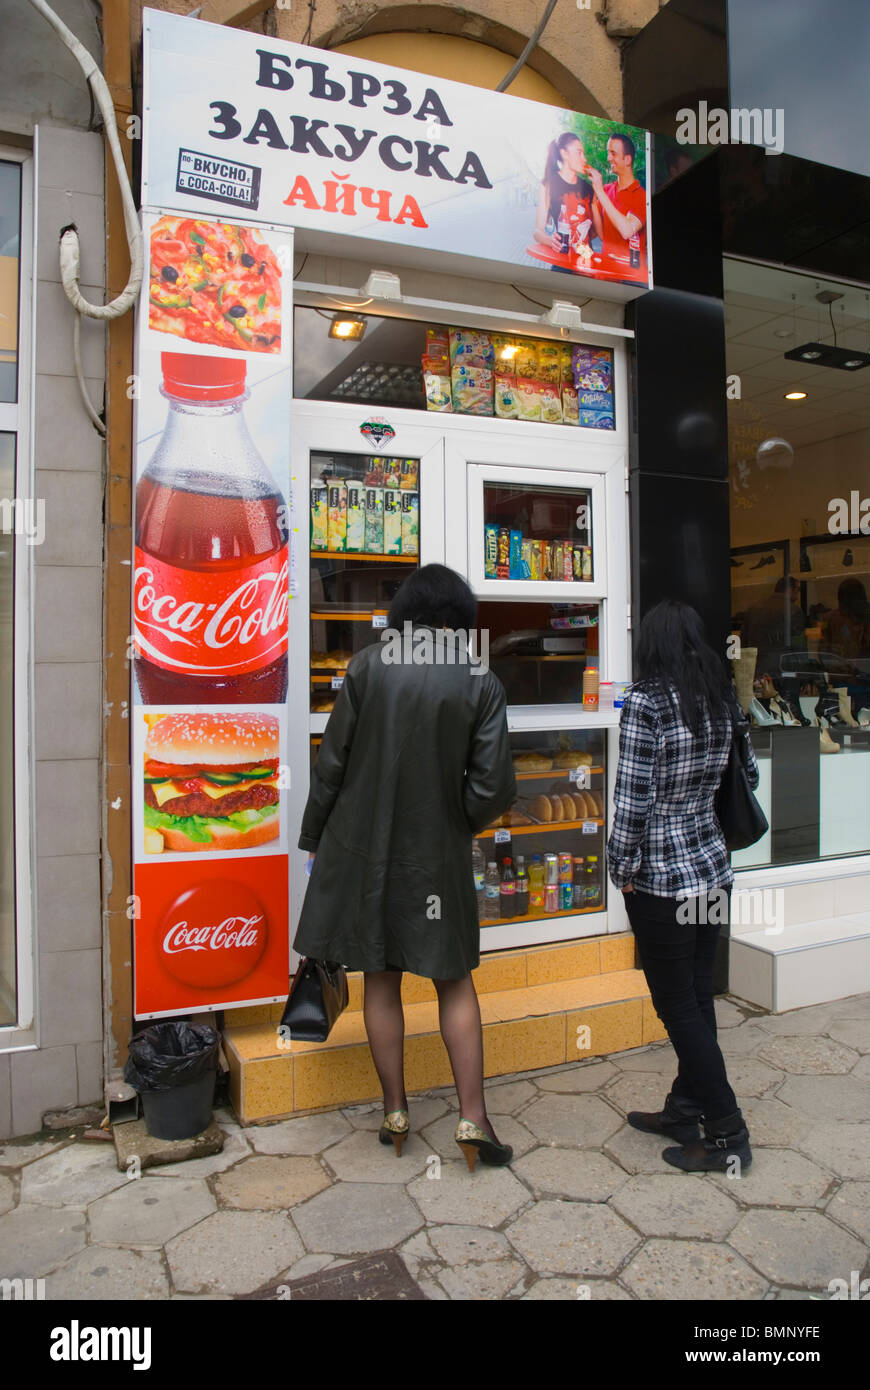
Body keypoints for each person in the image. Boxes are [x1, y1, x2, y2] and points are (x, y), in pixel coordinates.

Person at [294, 564, 517, 1171]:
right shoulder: (480, 677)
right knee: (454, 979)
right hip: (437, 858)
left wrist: (313, 835)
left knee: (381, 978)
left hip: (366, 854)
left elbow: (331, 765)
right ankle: (474, 1116)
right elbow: (494, 786)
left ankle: (395, 1111)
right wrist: (455, 819)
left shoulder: (368, 666)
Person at [606, 599, 758, 1172]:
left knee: (676, 1006)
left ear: (651, 646)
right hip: (714, 872)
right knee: (696, 997)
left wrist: (621, 870)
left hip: (663, 880)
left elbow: (631, 801)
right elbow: (748, 778)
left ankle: (727, 1132)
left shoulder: (646, 704)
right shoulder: (719, 698)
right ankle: (684, 1107)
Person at [533, 131, 594, 258]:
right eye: (579, 153)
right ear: (564, 153)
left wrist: (579, 239)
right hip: (562, 260)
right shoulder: (548, 184)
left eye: (584, 153)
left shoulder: (589, 188)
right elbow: (538, 231)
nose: (584, 159)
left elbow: (594, 231)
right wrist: (550, 240)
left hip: (586, 261)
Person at [589, 133, 647, 261]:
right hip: (607, 273)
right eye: (608, 153)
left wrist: (599, 191)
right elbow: (602, 236)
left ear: (627, 160)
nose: (608, 158)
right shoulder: (606, 190)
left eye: (613, 153)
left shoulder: (642, 196)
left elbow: (627, 231)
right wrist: (593, 202)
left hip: (631, 278)